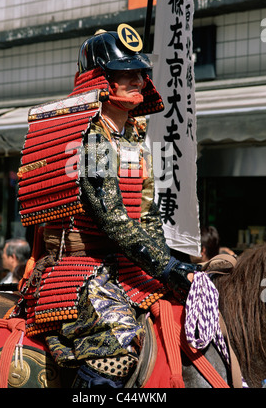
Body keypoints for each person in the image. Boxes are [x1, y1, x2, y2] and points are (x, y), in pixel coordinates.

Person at [14, 25, 200, 388]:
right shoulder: (91, 139)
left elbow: (145, 216)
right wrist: (169, 269)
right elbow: (114, 221)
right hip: (78, 269)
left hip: (123, 265)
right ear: (101, 80)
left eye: (139, 72)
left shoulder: (133, 137)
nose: (137, 79)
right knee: (115, 350)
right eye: (123, 73)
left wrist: (173, 266)